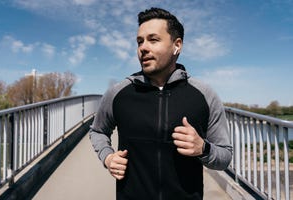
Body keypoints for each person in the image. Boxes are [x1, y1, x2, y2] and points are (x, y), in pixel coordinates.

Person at [89, 7, 232, 200]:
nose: (143, 47)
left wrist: (203, 148)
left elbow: (224, 156)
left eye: (153, 39)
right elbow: (97, 131)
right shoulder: (118, 93)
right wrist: (107, 157)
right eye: (140, 41)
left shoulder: (204, 95)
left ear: (177, 45)